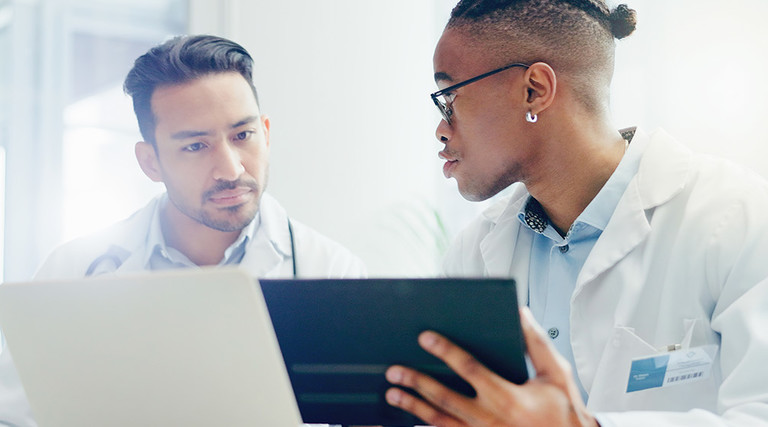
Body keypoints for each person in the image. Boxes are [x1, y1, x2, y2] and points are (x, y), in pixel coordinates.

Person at [385, 0, 768, 426]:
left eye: (449, 96)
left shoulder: (739, 218)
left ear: (535, 90)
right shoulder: (474, 252)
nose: (441, 128)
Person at [0, 34, 365, 425]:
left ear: (267, 132)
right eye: (195, 146)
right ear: (150, 162)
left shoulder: (333, 272)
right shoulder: (72, 273)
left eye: (243, 136)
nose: (231, 169)